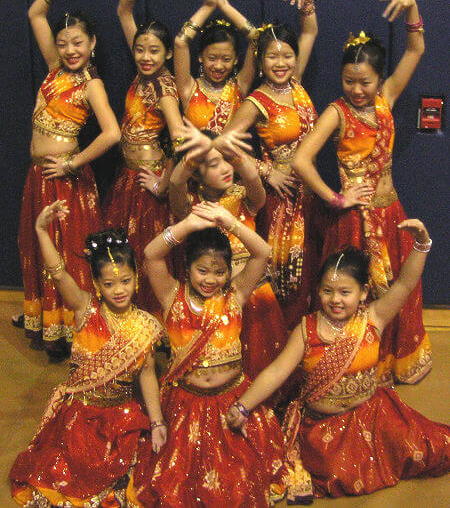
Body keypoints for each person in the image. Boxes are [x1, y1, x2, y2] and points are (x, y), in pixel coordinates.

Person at [227, 219, 449, 503]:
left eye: (345, 292)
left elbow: (406, 283)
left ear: (364, 293)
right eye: (327, 291)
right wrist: (244, 405)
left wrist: (421, 244)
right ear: (318, 290)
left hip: (373, 417)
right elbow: (277, 371)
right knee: (334, 473)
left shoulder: (374, 318)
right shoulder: (306, 330)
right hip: (322, 427)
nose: (336, 300)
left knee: (429, 447)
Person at [292, 0, 431, 385]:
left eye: (365, 82)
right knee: (359, 295)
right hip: (355, 220)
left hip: (392, 213)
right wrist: (336, 197)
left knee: (397, 294)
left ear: (378, 79)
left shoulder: (386, 98)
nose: (357, 89)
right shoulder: (336, 112)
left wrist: (413, 6)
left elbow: (416, 50)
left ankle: (385, 362)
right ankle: (354, 363)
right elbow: (302, 161)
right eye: (349, 80)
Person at [129, 203, 287, 506]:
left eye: (219, 271)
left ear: (229, 271)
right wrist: (187, 225)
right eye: (202, 270)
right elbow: (151, 254)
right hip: (184, 406)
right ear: (187, 267)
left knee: (237, 483)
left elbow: (263, 253)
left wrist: (230, 222)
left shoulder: (235, 295)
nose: (210, 279)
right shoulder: (171, 296)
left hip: (232, 402)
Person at [10, 200, 165, 507]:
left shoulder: (145, 326)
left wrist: (158, 423)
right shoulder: (85, 310)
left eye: (126, 281)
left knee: (143, 473)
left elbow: (147, 377)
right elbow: (58, 273)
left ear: (136, 278)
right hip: (81, 417)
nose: (119, 290)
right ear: (96, 284)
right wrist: (42, 230)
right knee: (69, 473)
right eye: (109, 284)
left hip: (122, 418)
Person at [16, 0, 121, 359]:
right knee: (39, 248)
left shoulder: (90, 82)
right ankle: (51, 325)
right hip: (39, 176)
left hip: (65, 178)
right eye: (64, 44)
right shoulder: (54, 70)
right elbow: (35, 16)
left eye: (78, 42)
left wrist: (73, 164)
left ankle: (78, 328)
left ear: (92, 43)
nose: (70, 50)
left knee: (68, 250)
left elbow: (112, 133)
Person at [223, 0, 320, 329]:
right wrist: (266, 171)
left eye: (287, 55)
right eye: (272, 56)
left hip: (311, 195)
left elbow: (310, 29)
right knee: (285, 276)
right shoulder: (257, 101)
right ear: (260, 62)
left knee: (310, 273)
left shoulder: (297, 85)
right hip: (281, 202)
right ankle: (278, 351)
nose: (281, 63)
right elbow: (223, 144)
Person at [169, 121, 288, 381]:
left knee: (261, 364)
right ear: (197, 175)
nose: (224, 169)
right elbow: (176, 182)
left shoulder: (245, 197)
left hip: (253, 291)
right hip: (212, 298)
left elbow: (253, 177)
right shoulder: (192, 206)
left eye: (226, 162)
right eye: (213, 164)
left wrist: (226, 149)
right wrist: (193, 156)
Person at [106, 0, 183, 316]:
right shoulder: (142, 76)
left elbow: (180, 139)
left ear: (168, 54)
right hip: (128, 181)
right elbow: (124, 11)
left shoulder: (164, 87)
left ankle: (151, 328)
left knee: (147, 258)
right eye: (140, 50)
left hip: (148, 187)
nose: (145, 57)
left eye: (154, 51)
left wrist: (164, 183)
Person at [174, 0, 258, 134]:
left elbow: (256, 38)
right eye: (212, 58)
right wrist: (208, 7)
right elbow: (180, 43)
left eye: (226, 59)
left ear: (236, 60)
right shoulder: (189, 88)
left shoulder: (240, 86)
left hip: (232, 159)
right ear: (200, 56)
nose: (218, 66)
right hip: (195, 159)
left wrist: (224, 5)